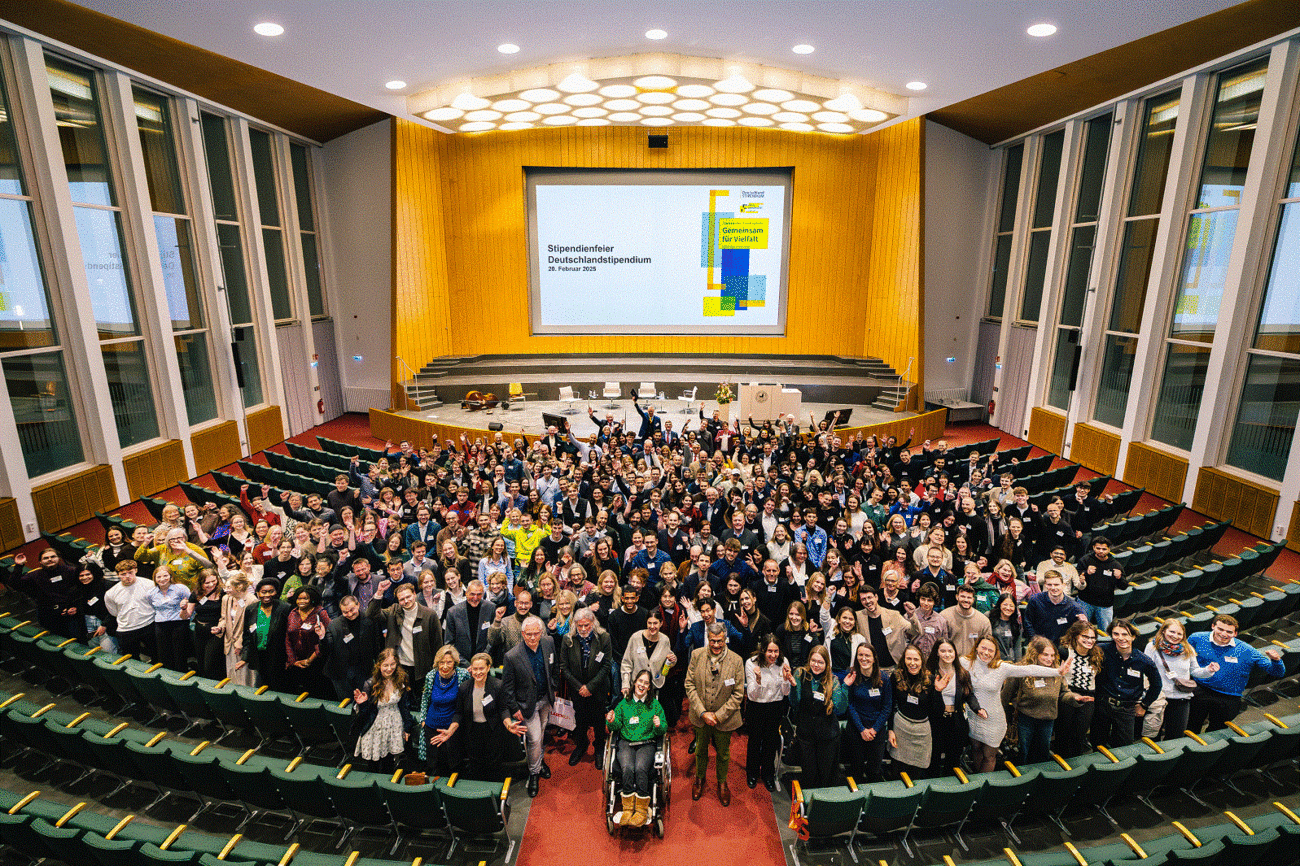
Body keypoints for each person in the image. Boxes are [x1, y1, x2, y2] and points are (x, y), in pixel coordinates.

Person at [961, 636, 1061, 772]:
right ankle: (977, 783)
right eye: (983, 648)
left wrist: (1057, 671)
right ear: (976, 647)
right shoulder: (964, 662)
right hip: (973, 717)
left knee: (989, 756)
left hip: (993, 719)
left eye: (990, 650)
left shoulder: (1001, 667)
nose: (986, 652)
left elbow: (1029, 670)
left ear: (995, 652)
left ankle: (985, 787)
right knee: (976, 750)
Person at [1187, 613, 1283, 733]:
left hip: (1229, 697)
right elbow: (1183, 658)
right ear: (1213, 626)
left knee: (1217, 731)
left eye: (1229, 631)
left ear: (1235, 634)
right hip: (1200, 690)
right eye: (1220, 629)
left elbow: (1277, 672)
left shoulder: (1247, 650)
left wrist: (1276, 660)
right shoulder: (1196, 638)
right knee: (1191, 726)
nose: (1223, 634)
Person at [685, 621, 745, 805]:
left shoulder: (736, 660)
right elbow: (689, 684)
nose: (716, 645)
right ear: (708, 639)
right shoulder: (696, 655)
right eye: (713, 641)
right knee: (700, 750)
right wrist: (703, 713)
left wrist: (718, 716)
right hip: (700, 717)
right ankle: (699, 778)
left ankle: (721, 783)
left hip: (725, 720)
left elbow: (738, 693)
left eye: (720, 641)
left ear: (725, 639)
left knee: (723, 753)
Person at [502, 616, 558, 797]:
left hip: (545, 699)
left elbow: (554, 667)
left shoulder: (548, 643)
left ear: (541, 632)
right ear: (522, 633)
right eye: (529, 634)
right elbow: (507, 687)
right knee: (533, 739)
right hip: (526, 705)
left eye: (536, 634)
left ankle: (538, 762)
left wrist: (554, 689)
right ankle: (534, 772)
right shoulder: (512, 656)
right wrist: (514, 708)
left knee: (541, 733)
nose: (533, 638)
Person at [606, 669, 667, 827]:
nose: (642, 685)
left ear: (649, 687)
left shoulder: (654, 704)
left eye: (646, 683)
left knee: (640, 768)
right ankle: (627, 808)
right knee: (627, 767)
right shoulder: (624, 703)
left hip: (647, 744)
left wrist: (659, 725)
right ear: (634, 683)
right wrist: (611, 721)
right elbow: (616, 725)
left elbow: (663, 728)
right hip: (626, 743)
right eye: (640, 681)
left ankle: (641, 810)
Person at [1002, 636, 1074, 763]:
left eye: (1052, 655)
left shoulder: (1057, 670)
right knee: (1022, 753)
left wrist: (1075, 698)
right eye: (1045, 655)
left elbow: (1063, 693)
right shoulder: (1021, 670)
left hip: (1047, 719)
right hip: (1025, 719)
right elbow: (1005, 696)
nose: (1049, 659)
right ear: (1035, 654)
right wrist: (1003, 720)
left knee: (1042, 754)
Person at [1092, 618, 1161, 748]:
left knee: (1125, 746)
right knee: (1097, 743)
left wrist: (1145, 705)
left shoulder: (1143, 660)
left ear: (1133, 637)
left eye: (1125, 634)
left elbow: (1157, 685)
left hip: (1127, 709)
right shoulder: (1101, 650)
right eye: (1116, 634)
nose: (1120, 638)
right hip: (1103, 705)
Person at [1143, 619, 1215, 740]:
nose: (1175, 636)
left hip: (1181, 699)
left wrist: (1209, 670)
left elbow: (1195, 671)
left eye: (1179, 634)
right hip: (1158, 698)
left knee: (1175, 737)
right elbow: (1145, 671)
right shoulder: (1152, 647)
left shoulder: (1188, 649)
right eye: (1172, 632)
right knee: (1152, 736)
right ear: (1164, 631)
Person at [368, 580, 443, 696]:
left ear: (414, 594)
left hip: (422, 669)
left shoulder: (430, 614)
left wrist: (436, 669)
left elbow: (438, 645)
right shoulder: (394, 611)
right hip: (399, 667)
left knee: (420, 701)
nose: (406, 601)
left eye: (408, 597)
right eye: (402, 599)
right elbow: (371, 615)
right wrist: (379, 593)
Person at [789, 644, 848, 789]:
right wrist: (793, 687)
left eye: (820, 662)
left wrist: (845, 687)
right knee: (809, 772)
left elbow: (840, 709)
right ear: (809, 660)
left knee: (826, 773)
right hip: (806, 734)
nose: (816, 665)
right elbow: (795, 705)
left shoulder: (832, 680)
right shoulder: (800, 674)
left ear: (827, 664)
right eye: (813, 661)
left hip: (827, 736)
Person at [560, 608, 613, 767]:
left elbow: (606, 666)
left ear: (593, 623)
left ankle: (599, 747)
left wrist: (590, 687)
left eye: (587, 625)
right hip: (577, 689)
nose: (583, 629)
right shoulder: (568, 639)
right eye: (579, 625)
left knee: (598, 719)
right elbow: (564, 666)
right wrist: (579, 687)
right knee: (580, 719)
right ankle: (581, 745)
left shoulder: (604, 638)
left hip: (598, 687)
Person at [351, 648, 415, 773]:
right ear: (379, 665)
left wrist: (407, 727)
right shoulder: (370, 684)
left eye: (392, 664)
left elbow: (405, 706)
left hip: (394, 724)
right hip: (376, 725)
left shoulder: (402, 679)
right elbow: (364, 714)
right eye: (385, 665)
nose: (389, 669)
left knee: (389, 761)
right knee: (374, 763)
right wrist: (363, 704)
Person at [455, 652, 512, 781]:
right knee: (476, 767)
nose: (478, 672)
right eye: (475, 669)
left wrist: (508, 724)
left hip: (492, 732)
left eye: (481, 668)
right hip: (472, 732)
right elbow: (458, 713)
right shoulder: (464, 688)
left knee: (494, 767)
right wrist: (451, 730)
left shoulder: (497, 685)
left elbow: (503, 709)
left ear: (488, 668)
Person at [745, 633, 791, 791]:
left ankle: (767, 775)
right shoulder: (751, 664)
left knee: (771, 743)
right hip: (756, 706)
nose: (773, 655)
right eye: (769, 651)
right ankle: (751, 773)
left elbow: (785, 693)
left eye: (776, 651)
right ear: (763, 650)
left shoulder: (783, 662)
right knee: (755, 741)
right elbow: (751, 695)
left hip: (775, 706)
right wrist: (758, 681)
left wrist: (785, 679)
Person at [3, 548, 83, 639]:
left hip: (70, 611)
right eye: (46, 558)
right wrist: (19, 565)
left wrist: (76, 607)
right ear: (40, 562)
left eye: (53, 556)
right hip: (48, 615)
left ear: (58, 558)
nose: (50, 559)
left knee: (77, 637)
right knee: (58, 638)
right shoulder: (35, 575)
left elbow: (82, 590)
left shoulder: (70, 571)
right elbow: (14, 584)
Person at [926, 639, 978, 775]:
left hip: (956, 720)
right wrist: (936, 690)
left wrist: (978, 709)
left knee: (953, 758)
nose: (947, 654)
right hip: (935, 721)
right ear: (937, 653)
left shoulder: (962, 673)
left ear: (955, 653)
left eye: (950, 651)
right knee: (933, 758)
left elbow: (969, 695)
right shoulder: (929, 673)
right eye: (943, 651)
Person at [888, 644, 940, 779]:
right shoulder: (896, 676)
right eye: (909, 659)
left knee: (917, 774)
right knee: (897, 772)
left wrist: (938, 692)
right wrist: (890, 730)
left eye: (916, 659)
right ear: (904, 660)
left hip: (921, 732)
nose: (912, 663)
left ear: (922, 661)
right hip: (900, 729)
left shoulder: (931, 680)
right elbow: (890, 704)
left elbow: (937, 711)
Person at [417, 645, 469, 775]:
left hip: (452, 729)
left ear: (455, 662)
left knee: (453, 765)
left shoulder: (463, 675)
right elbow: (425, 699)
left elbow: (467, 701)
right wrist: (423, 720)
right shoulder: (431, 676)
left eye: (449, 662)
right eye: (442, 662)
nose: (445, 666)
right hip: (432, 727)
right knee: (434, 765)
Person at [844, 643, 892, 782]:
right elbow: (850, 705)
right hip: (856, 729)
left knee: (874, 770)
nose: (864, 658)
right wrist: (862, 729)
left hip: (876, 730)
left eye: (867, 655)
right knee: (856, 769)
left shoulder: (884, 678)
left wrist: (874, 729)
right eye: (860, 655)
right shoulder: (852, 676)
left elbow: (887, 707)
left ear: (874, 658)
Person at [1055, 620, 1101, 757]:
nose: (1089, 640)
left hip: (1088, 697)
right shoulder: (1064, 651)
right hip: (1067, 695)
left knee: (1079, 734)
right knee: (1063, 733)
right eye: (1085, 637)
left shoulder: (1097, 655)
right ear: (1075, 636)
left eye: (1092, 638)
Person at [237, 577, 291, 690]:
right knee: (263, 686)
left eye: (271, 591)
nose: (267, 595)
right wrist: (244, 658)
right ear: (257, 593)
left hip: (279, 657)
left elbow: (289, 635)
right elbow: (247, 636)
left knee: (279, 687)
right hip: (259, 656)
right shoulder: (251, 609)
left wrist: (290, 657)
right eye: (263, 592)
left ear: (276, 592)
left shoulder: (285, 608)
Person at [322, 594, 378, 700]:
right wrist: (321, 637)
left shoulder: (369, 620)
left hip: (363, 669)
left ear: (358, 605)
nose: (349, 614)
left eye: (352, 610)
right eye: (345, 612)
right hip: (340, 672)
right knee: (346, 702)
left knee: (364, 701)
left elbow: (376, 645)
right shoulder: (334, 625)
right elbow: (326, 650)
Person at [104, 559, 156, 660]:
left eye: (130, 573)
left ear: (136, 570)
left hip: (149, 624)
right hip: (126, 629)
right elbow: (114, 612)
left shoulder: (149, 584)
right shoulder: (111, 593)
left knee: (157, 655)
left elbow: (155, 603)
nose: (127, 576)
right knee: (131, 659)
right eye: (123, 574)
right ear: (118, 575)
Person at [285, 585, 330, 696]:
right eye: (299, 598)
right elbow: (287, 637)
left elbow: (328, 637)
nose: (301, 601)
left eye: (305, 598)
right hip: (297, 662)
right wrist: (293, 660)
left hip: (317, 663)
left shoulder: (320, 613)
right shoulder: (293, 612)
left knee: (316, 693)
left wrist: (310, 659)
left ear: (312, 599)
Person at [1074, 536, 1126, 630]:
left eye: (1104, 549)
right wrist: (1085, 573)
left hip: (1105, 605)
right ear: (1093, 547)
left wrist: (1119, 577)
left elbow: (1124, 586)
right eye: (1098, 548)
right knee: (1081, 629)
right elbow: (1075, 577)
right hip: (1085, 602)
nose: (1101, 551)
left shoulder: (1115, 564)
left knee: (1106, 632)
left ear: (1109, 549)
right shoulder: (1085, 560)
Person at [1022, 570, 1087, 643]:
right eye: (1050, 585)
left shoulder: (1074, 606)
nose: (1053, 588)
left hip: (1061, 646)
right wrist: (1034, 639)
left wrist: (1084, 622)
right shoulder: (1035, 600)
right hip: (1039, 644)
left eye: (1056, 584)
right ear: (1045, 585)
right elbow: (1028, 622)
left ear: (1063, 585)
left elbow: (1083, 626)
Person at [854, 585, 909, 671]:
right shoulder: (858, 617)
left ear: (876, 597)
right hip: (872, 668)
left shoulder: (894, 615)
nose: (867, 601)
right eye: (863, 599)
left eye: (869, 597)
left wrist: (912, 615)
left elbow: (913, 631)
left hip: (894, 667)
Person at [148, 567, 192, 671]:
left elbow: (191, 604)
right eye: (158, 577)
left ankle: (182, 676)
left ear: (171, 576)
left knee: (179, 653)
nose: (162, 579)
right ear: (154, 578)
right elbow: (152, 606)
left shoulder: (181, 588)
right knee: (164, 654)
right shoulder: (151, 593)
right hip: (161, 624)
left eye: (165, 576)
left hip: (179, 623)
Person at [444, 579, 495, 665]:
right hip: (461, 664)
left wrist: (482, 659)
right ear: (466, 593)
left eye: (479, 594)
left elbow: (492, 639)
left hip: (484, 663)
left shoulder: (490, 608)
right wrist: (465, 664)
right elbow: (449, 643)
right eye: (472, 594)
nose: (475, 598)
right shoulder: (453, 612)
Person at [939, 584, 992, 658]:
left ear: (973, 599)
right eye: (963, 596)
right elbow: (939, 643)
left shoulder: (983, 621)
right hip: (950, 661)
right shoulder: (944, 616)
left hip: (973, 663)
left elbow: (987, 646)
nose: (966, 600)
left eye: (969, 597)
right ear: (957, 597)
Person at [988, 592, 1022, 661]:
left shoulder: (1017, 623)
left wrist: (1019, 664)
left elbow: (1017, 647)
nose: (1008, 608)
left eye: (1011, 606)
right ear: (1000, 605)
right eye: (1005, 604)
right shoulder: (989, 616)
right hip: (992, 660)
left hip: (1009, 661)